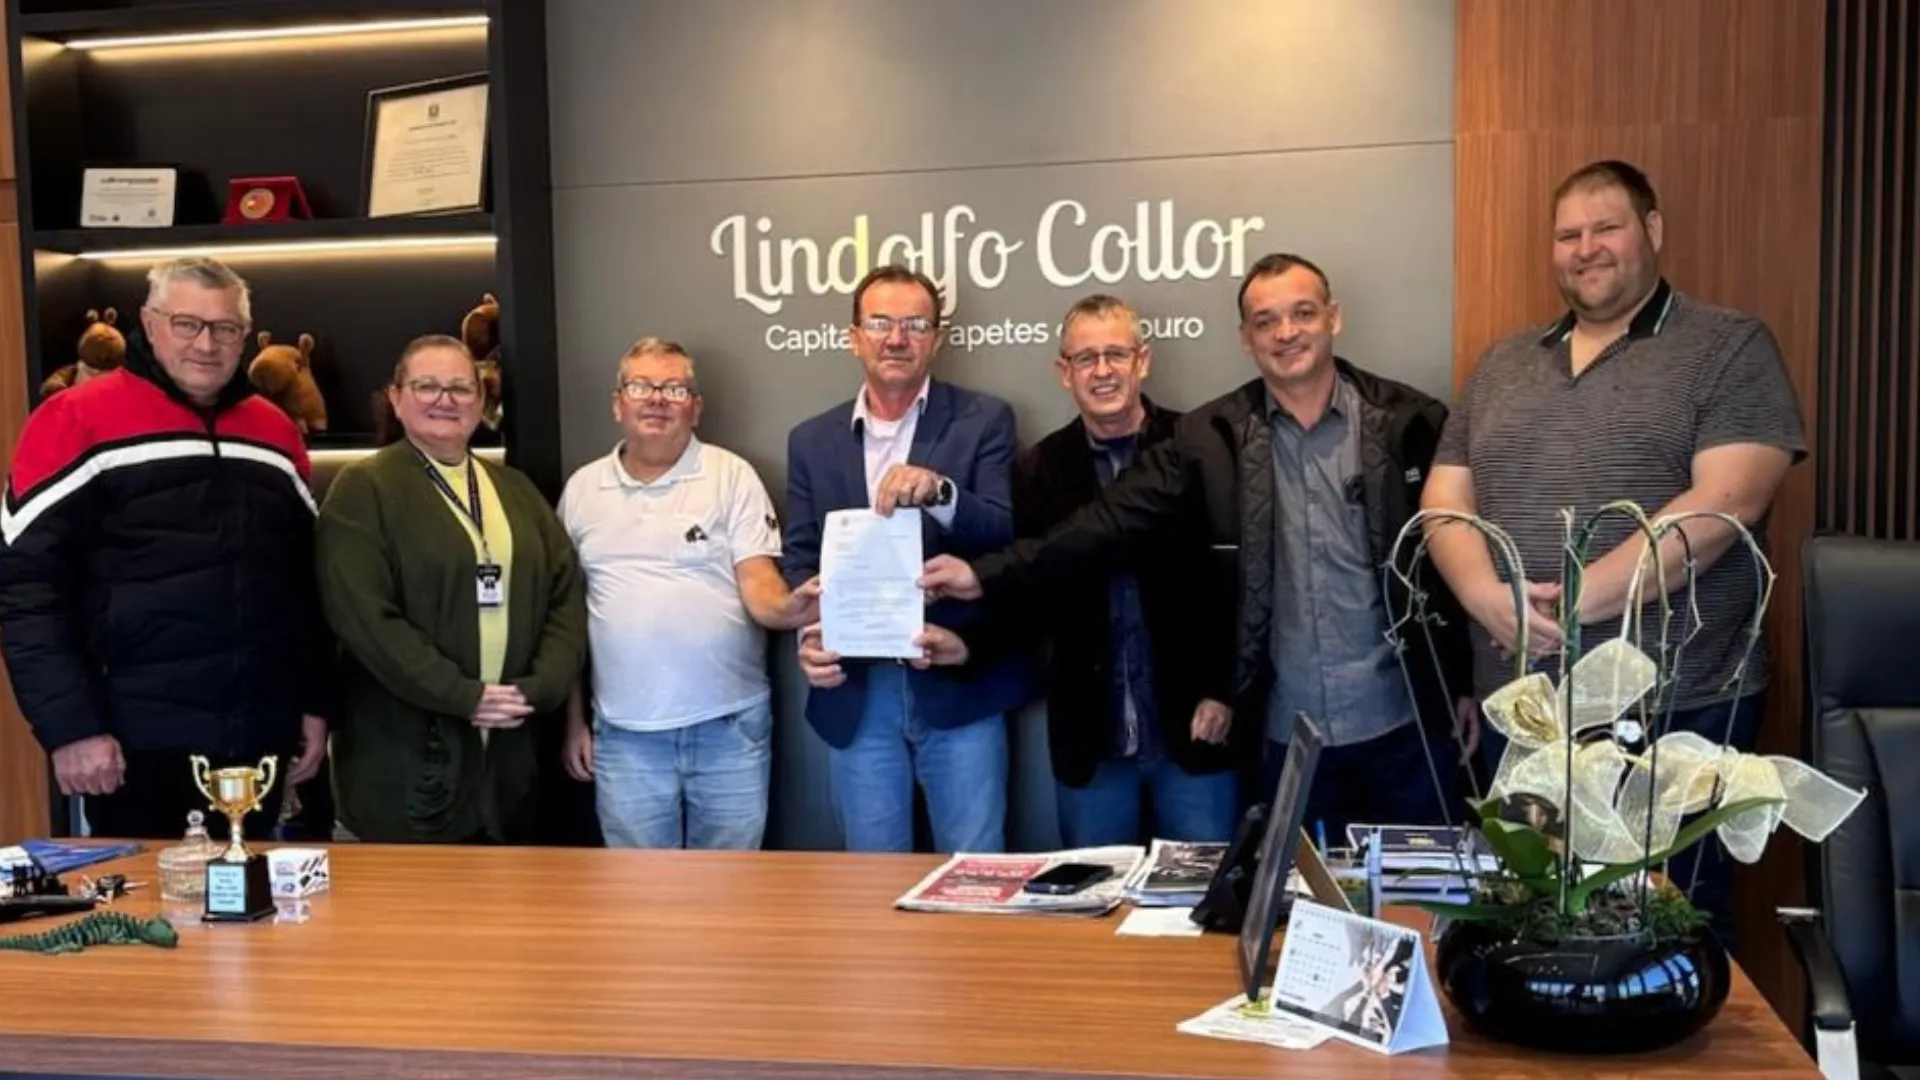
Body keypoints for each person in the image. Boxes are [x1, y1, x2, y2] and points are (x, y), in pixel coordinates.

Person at [896, 254, 1476, 845]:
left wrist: (1461, 679)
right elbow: (1091, 532)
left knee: (1417, 887)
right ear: (1246, 337)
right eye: (1266, 321)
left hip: (1396, 723)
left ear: (1334, 317)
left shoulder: (1407, 422)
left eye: (1302, 314)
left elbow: (1445, 557)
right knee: (1298, 893)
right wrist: (982, 578)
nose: (1286, 332)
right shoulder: (1212, 437)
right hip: (1273, 734)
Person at [1422, 160, 1806, 948]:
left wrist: (1571, 603)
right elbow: (1443, 500)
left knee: (1671, 928)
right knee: (1534, 926)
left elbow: (1728, 502)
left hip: (1679, 709)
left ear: (1652, 230)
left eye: (1607, 227)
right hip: (1526, 712)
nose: (1585, 248)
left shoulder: (1729, 346)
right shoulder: (1502, 363)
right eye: (1568, 234)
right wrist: (1486, 598)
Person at [0, 256, 329, 840]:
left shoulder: (275, 431)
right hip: (132, 742)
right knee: (146, 898)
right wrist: (71, 726)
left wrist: (313, 701)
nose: (206, 344)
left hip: (261, 734)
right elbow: (26, 587)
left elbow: (306, 585)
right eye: (186, 324)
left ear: (245, 337)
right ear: (149, 324)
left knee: (260, 896)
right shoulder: (73, 419)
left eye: (224, 328)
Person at [781, 264, 1028, 854]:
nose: (896, 338)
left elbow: (1007, 533)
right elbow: (800, 558)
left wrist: (941, 492)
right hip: (856, 690)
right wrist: (809, 635)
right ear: (853, 337)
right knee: (870, 882)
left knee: (973, 871)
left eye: (915, 324)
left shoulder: (985, 419)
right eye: (880, 323)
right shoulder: (810, 440)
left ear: (936, 339)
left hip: (957, 681)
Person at [316, 334, 587, 844]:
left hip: (509, 751)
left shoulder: (516, 489)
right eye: (427, 386)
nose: (445, 399)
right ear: (396, 398)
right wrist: (463, 696)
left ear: (480, 402)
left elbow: (564, 596)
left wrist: (539, 687)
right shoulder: (363, 489)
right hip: (407, 757)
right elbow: (366, 620)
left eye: (461, 388)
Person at [993, 292, 1242, 846]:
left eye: (1116, 354)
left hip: (1197, 726)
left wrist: (1223, 689)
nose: (1102, 371)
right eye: (1086, 358)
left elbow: (1238, 584)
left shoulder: (1199, 448)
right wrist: (964, 644)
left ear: (1142, 360)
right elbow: (1027, 591)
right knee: (1097, 896)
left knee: (1203, 891)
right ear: (1064, 371)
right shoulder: (1037, 469)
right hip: (1091, 740)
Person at [558, 337, 817, 849]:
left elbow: (760, 584)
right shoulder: (582, 490)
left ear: (695, 408)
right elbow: (565, 618)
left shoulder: (731, 476)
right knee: (638, 893)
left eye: (674, 389)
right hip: (625, 737)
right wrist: (573, 722)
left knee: (729, 889)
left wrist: (792, 609)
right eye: (641, 386)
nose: (657, 399)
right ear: (617, 404)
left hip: (729, 731)